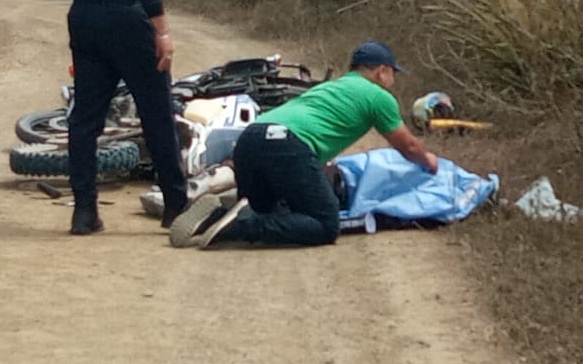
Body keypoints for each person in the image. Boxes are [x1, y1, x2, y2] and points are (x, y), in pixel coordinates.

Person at [169, 41, 440, 249]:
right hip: (286, 145)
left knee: (275, 211)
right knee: (325, 223)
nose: (392, 80)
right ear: (382, 71)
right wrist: (428, 161)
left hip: (251, 138)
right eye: (393, 73)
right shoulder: (379, 97)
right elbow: (409, 147)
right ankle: (240, 225)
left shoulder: (333, 87)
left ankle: (220, 214)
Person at [62, 0, 189, 235]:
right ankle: (176, 207)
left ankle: (84, 212)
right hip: (129, 19)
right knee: (156, 113)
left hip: (84, 16)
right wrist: (161, 30)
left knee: (84, 119)